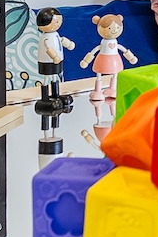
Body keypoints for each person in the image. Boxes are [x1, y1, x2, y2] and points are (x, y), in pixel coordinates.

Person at [78, 13, 138, 133]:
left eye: (116, 27)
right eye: (110, 28)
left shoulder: (115, 43)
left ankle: (112, 89)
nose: (114, 30)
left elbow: (123, 50)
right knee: (99, 75)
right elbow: (94, 51)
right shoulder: (103, 43)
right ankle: (98, 91)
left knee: (115, 74)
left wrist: (131, 57)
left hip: (114, 60)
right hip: (103, 59)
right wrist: (86, 61)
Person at [33, 8, 74, 158]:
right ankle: (45, 98)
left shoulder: (55, 35)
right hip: (48, 61)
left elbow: (61, 41)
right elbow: (49, 48)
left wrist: (68, 44)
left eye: (58, 21)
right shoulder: (45, 38)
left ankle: (56, 96)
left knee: (56, 78)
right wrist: (55, 56)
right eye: (55, 21)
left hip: (57, 61)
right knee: (46, 79)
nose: (57, 23)